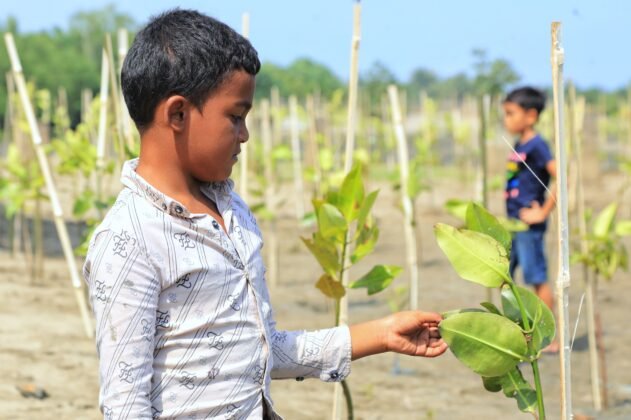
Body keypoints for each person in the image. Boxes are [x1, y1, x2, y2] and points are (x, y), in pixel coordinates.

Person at [83, 9, 447, 419]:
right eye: (235, 117)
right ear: (178, 114)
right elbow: (124, 404)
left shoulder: (232, 212)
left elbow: (259, 349)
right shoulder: (129, 240)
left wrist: (381, 333)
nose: (245, 135)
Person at [503, 86, 559, 352]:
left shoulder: (538, 145)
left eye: (511, 113)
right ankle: (521, 331)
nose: (506, 119)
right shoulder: (519, 145)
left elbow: (562, 178)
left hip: (529, 225)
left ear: (531, 115)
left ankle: (550, 338)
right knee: (506, 275)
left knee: (537, 277)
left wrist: (544, 211)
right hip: (513, 224)